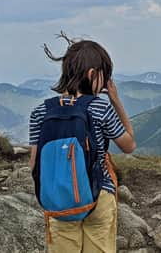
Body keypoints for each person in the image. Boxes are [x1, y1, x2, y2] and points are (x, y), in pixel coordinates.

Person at [28, 35, 136, 253]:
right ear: (92, 74)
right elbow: (129, 144)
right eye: (105, 76)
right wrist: (116, 101)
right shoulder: (99, 108)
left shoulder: (41, 112)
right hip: (97, 196)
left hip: (59, 201)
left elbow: (34, 165)